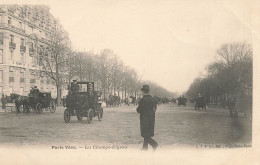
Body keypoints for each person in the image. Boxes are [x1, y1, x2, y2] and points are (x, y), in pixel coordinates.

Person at [136, 85, 158, 151]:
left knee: (145, 134)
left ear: (143, 92)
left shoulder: (143, 100)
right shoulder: (153, 99)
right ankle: (145, 147)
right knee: (148, 134)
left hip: (144, 119)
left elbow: (138, 110)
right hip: (151, 119)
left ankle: (154, 144)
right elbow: (155, 109)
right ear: (148, 91)